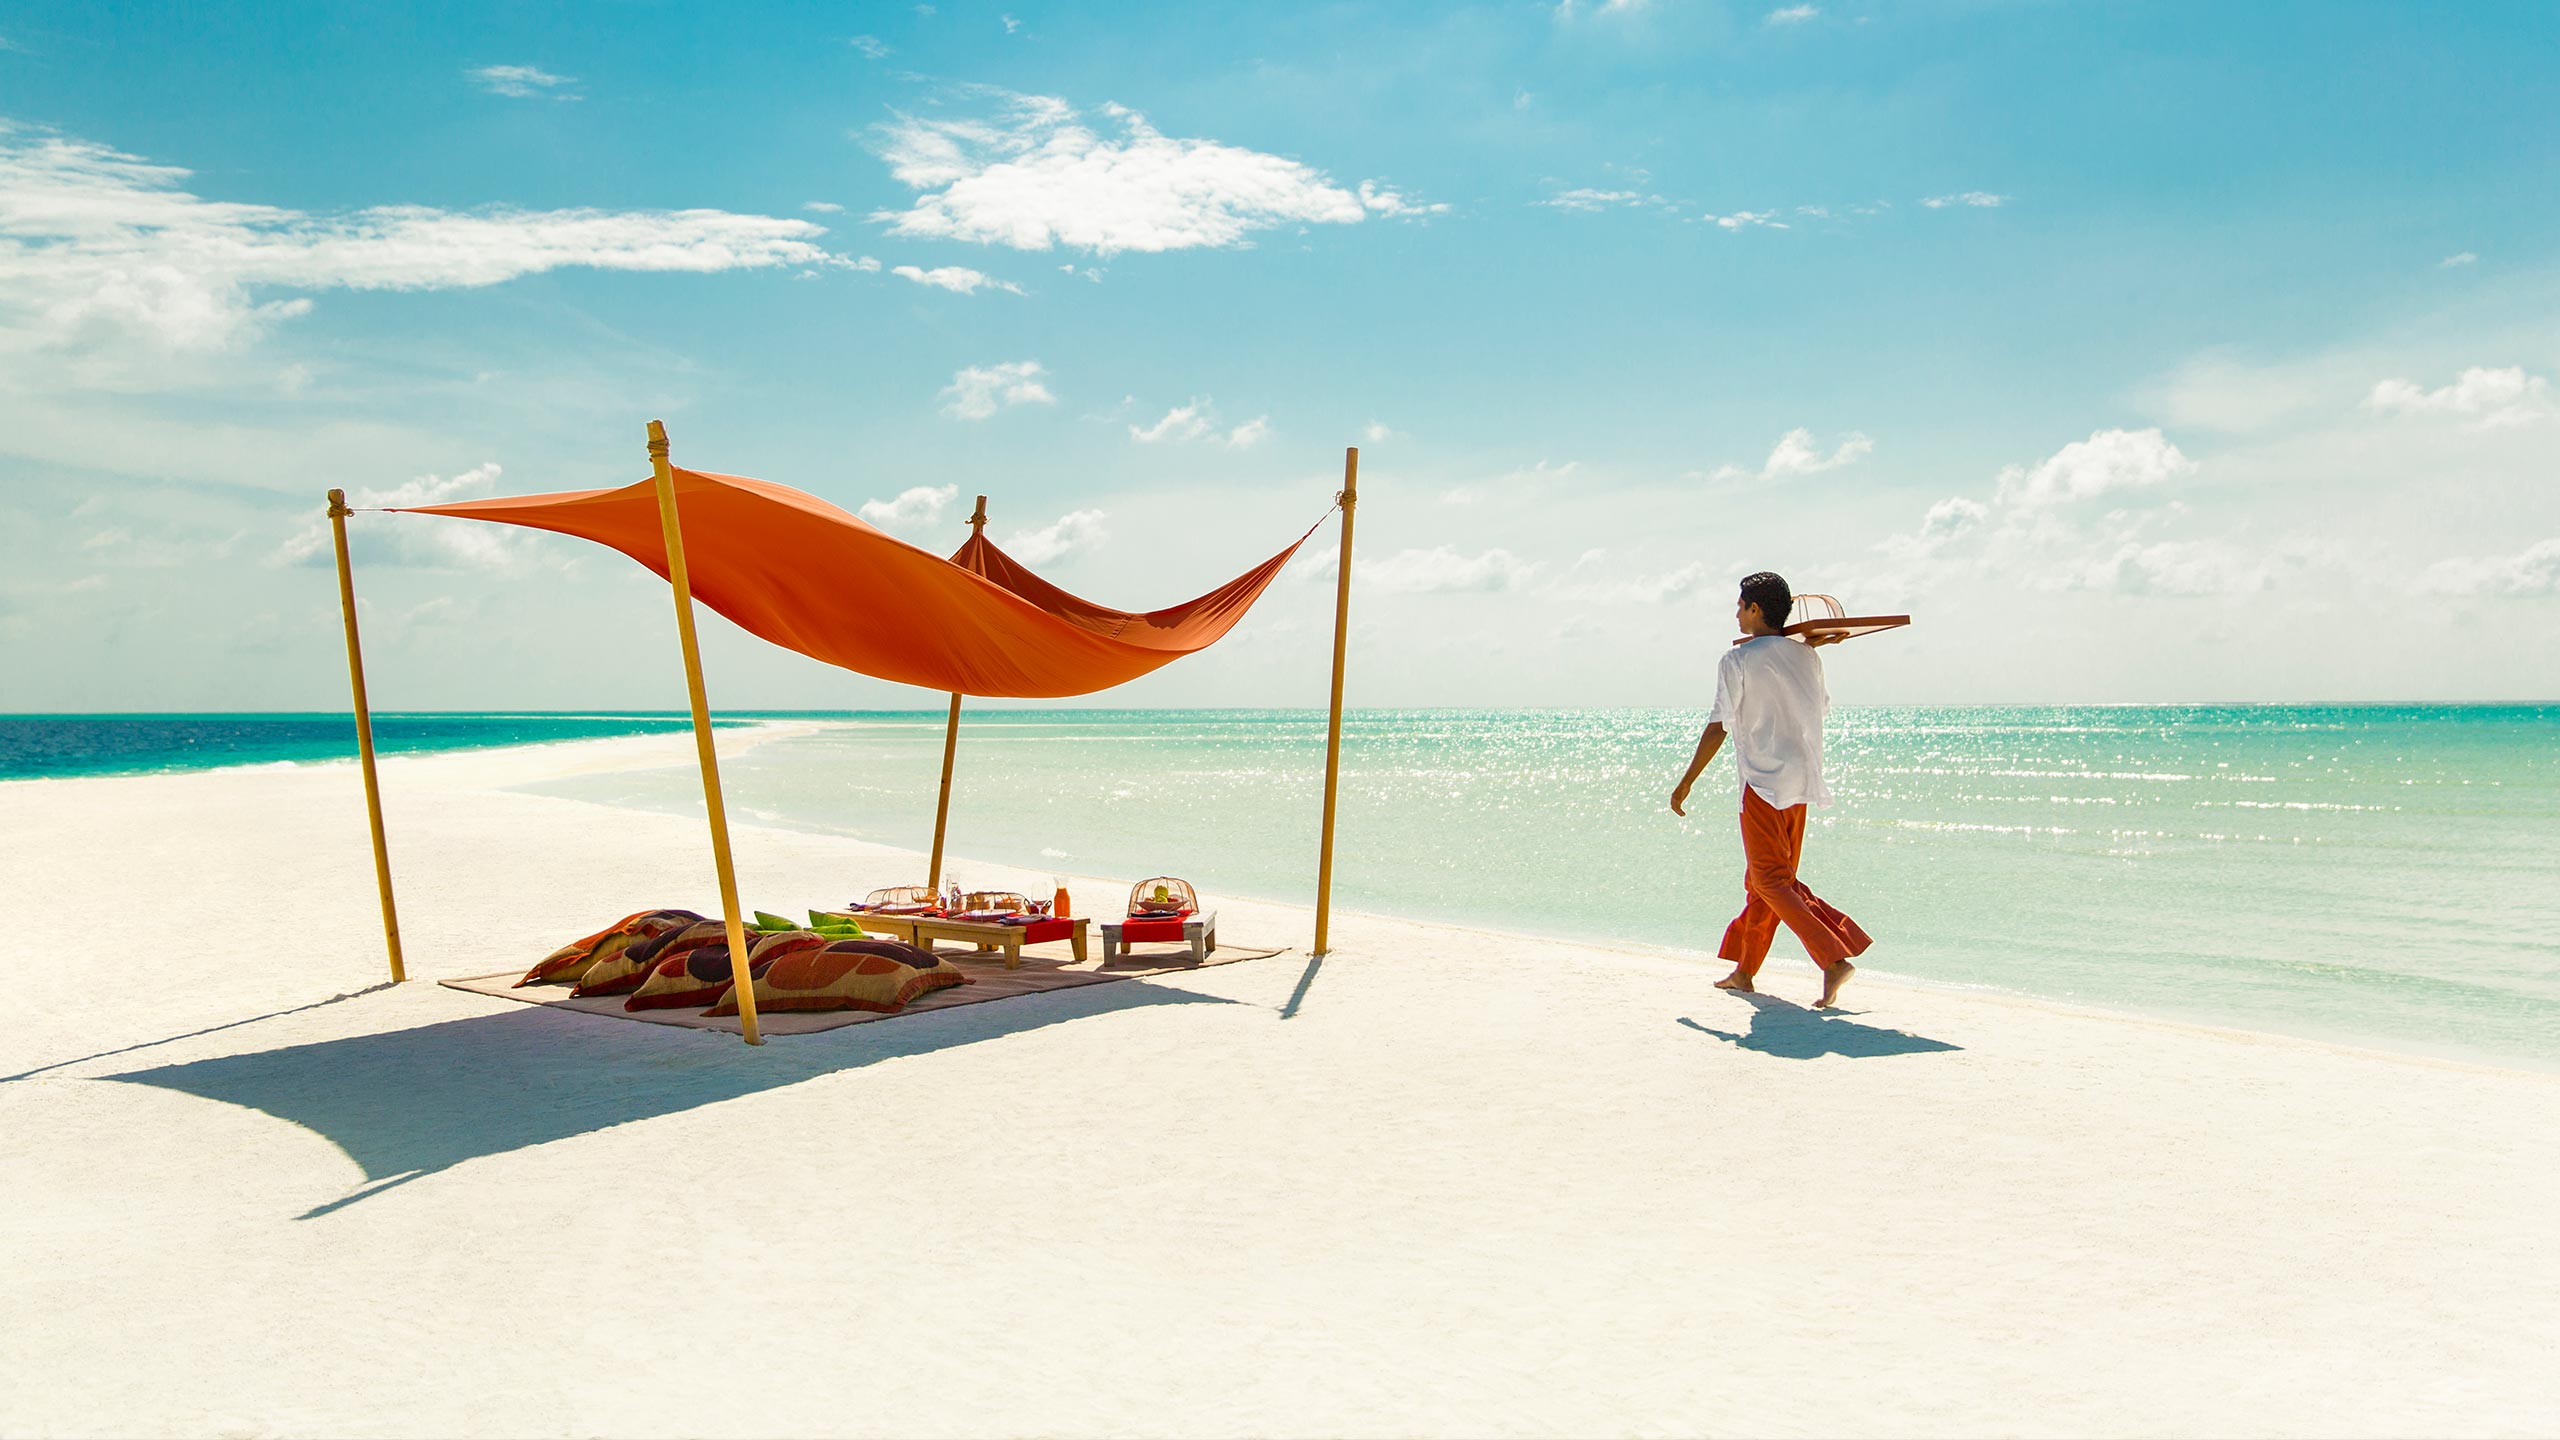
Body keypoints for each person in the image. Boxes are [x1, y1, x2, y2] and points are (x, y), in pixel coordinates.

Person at [1669, 571, 1873, 1007]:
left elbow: (1718, 726)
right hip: (1801, 782)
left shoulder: (1736, 660)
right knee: (1764, 883)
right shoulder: (1808, 658)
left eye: (1740, 605)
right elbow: (1818, 708)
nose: (1736, 612)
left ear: (1756, 610)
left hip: (1762, 782)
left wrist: (1686, 781)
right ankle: (1744, 973)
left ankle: (1834, 956)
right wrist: (1798, 654)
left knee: (1770, 880)